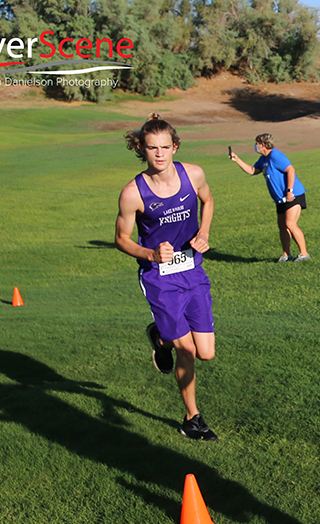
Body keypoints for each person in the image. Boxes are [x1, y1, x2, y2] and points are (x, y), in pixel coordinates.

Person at [115, 114, 218, 441]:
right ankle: (192, 418)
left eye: (164, 147)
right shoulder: (133, 192)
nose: (159, 154)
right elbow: (121, 238)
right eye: (151, 148)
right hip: (160, 280)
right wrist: (149, 254)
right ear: (141, 150)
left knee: (207, 352)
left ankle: (159, 336)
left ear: (175, 147)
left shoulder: (195, 173)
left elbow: (208, 200)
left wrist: (203, 231)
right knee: (186, 351)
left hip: (193, 270)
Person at [229, 134, 311, 262]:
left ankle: (304, 254)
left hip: (293, 195)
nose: (255, 146)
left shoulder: (275, 155)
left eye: (257, 143)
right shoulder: (264, 159)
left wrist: (290, 191)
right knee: (282, 226)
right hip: (280, 199)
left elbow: (291, 170)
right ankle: (286, 254)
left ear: (263, 144)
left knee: (290, 223)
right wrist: (237, 160)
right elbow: (252, 171)